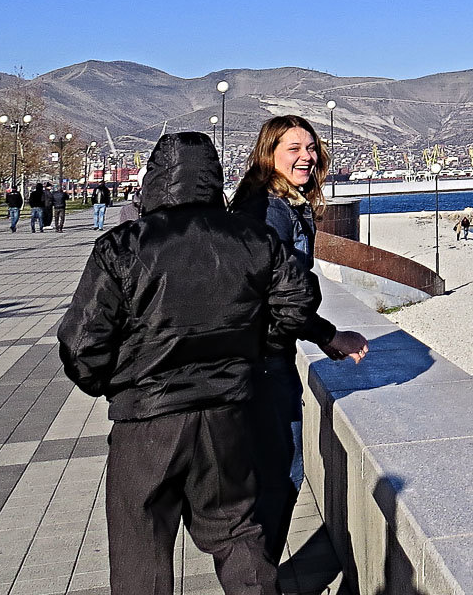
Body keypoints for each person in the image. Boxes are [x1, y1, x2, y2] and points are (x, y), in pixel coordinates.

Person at [58, 132, 319, 595]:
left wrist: (118, 383)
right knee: (238, 533)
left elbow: (81, 343)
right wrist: (253, 349)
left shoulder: (122, 246)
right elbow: (299, 299)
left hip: (147, 419)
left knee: (142, 547)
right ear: (214, 179)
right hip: (227, 414)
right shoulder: (251, 237)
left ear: (155, 178)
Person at [230, 115, 369, 563]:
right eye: (294, 148)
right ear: (268, 153)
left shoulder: (264, 202)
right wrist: (330, 336)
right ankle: (258, 579)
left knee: (263, 474)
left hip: (255, 354)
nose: (307, 156)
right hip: (266, 359)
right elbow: (280, 293)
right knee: (284, 474)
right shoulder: (272, 210)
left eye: (311, 147)